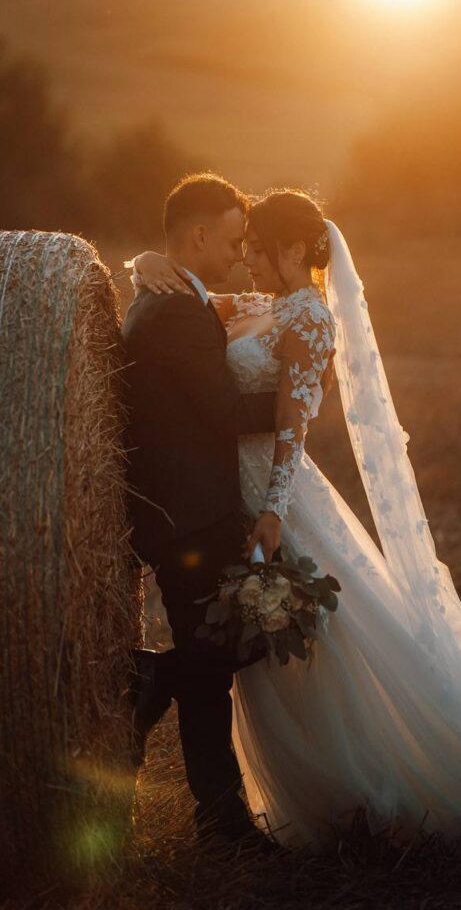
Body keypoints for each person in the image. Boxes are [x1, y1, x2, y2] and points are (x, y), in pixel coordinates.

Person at [130, 187, 461, 857]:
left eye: (258, 249)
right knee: (260, 636)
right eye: (243, 248)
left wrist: (274, 499)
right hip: (230, 490)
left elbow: (291, 428)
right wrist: (146, 257)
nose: (247, 262)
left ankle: (354, 776)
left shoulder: (312, 318)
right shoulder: (267, 304)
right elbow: (204, 305)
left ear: (294, 248)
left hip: (273, 493)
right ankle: (248, 793)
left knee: (300, 630)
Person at [121, 173, 280, 853]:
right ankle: (154, 679)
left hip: (186, 508)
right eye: (234, 240)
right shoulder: (175, 310)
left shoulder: (170, 295)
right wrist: (299, 398)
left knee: (220, 659)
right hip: (190, 513)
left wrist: (137, 261)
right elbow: (223, 412)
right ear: (198, 235)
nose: (240, 254)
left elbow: (246, 309)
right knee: (224, 655)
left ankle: (220, 815)